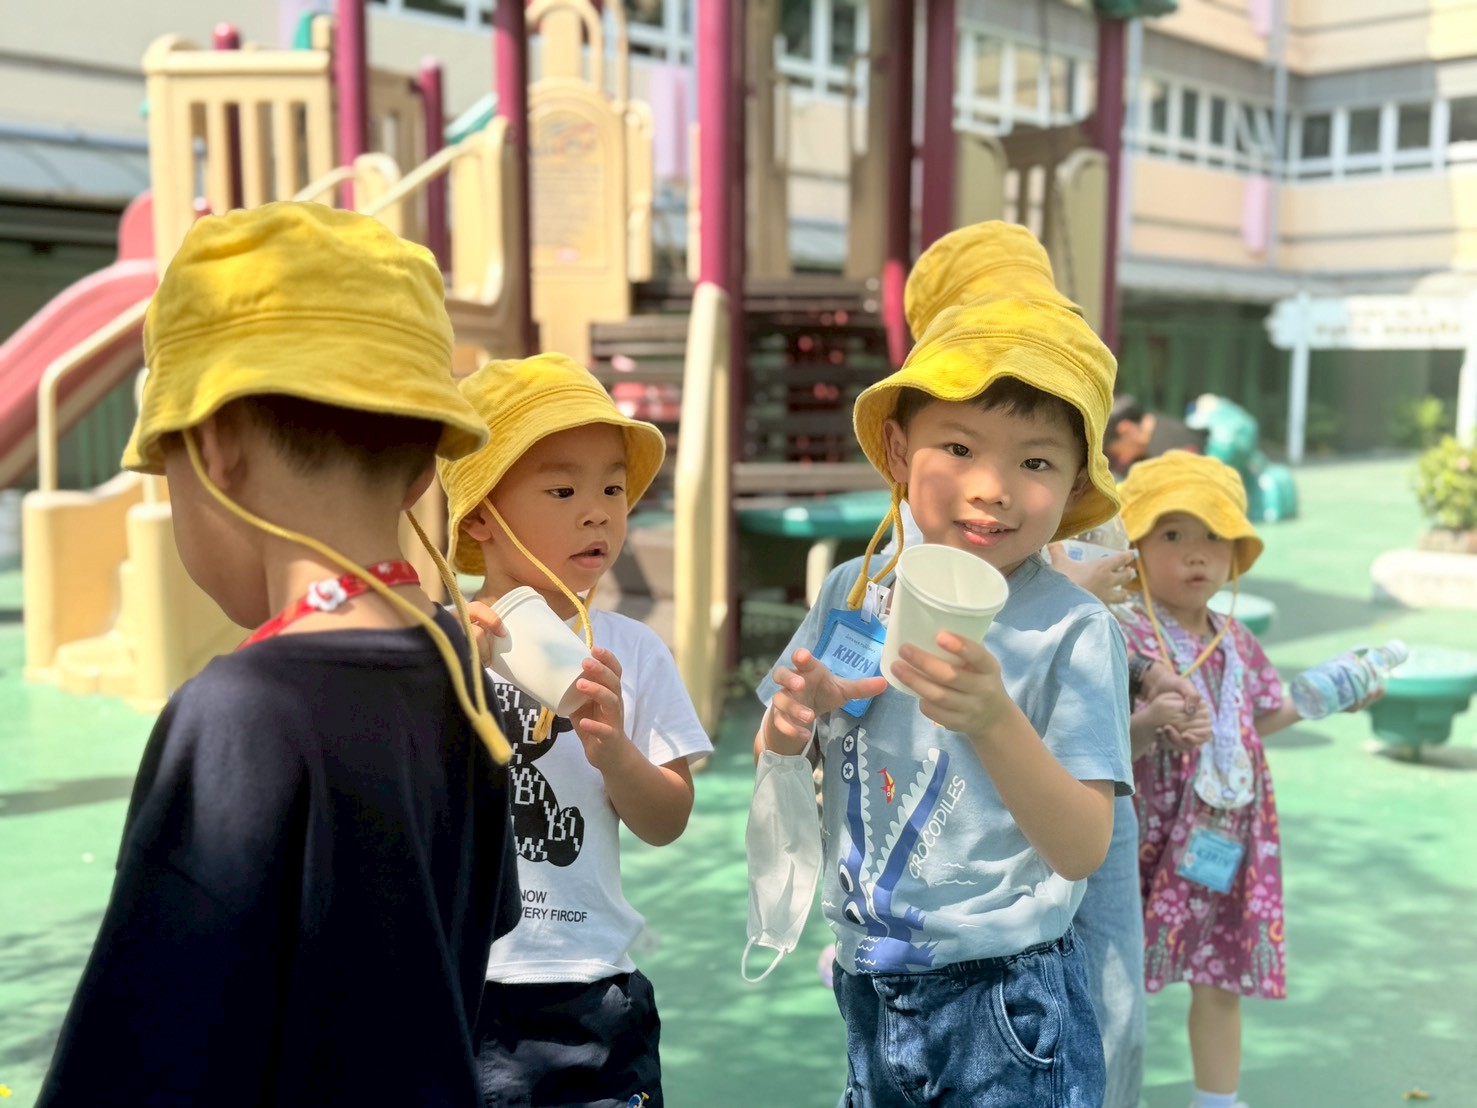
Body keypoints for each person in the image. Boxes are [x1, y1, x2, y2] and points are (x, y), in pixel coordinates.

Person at [36, 202, 521, 1105]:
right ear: (425, 466)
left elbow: (138, 1057)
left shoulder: (238, 716)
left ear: (215, 445)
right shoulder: (466, 674)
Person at [750, 221, 1132, 1107]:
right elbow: (777, 744)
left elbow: (1081, 846)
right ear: (897, 452)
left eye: (1034, 461)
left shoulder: (1073, 629)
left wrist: (994, 720)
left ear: (1074, 487)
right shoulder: (855, 586)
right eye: (958, 448)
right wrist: (796, 716)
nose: (991, 486)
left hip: (1006, 995)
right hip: (869, 978)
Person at [439, 354, 712, 1108]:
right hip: (460, 985)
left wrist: (615, 752)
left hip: (591, 990)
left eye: (612, 489)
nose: (598, 513)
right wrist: (448, 677)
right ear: (482, 516)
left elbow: (666, 819)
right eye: (563, 491)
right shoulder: (438, 644)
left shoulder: (630, 650)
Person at [1114, 450, 1300, 1108]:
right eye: (1171, 534)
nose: (1196, 554)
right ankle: (1103, 1092)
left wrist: (1325, 695)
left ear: (1237, 553)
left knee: (1218, 973)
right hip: (1135, 830)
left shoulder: (1236, 639)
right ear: (1133, 548)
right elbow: (1089, 729)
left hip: (1221, 831)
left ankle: (1218, 1100)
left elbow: (1258, 718)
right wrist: (1150, 718)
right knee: (1110, 974)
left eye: (1214, 535)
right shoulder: (1122, 632)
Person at [1104, 393, 1206, 477]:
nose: (1122, 457)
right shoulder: (1159, 431)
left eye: (1115, 453)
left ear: (1126, 430)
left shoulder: (1170, 455)